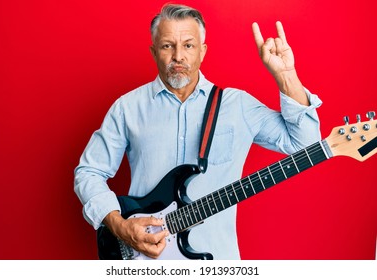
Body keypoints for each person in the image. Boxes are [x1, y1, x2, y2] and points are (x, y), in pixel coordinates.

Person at [74, 4, 322, 260]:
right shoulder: (127, 108)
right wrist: (120, 226)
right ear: (153, 52)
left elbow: (306, 145)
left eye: (189, 45)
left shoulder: (238, 106)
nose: (178, 56)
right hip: (142, 260)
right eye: (167, 45)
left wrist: (286, 75)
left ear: (202, 51)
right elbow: (88, 173)